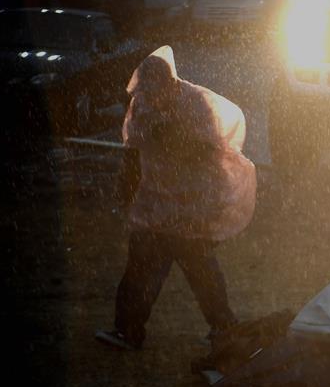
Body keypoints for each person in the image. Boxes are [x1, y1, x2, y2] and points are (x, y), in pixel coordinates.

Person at [96, 46, 257, 350]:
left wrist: (175, 139)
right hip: (155, 203)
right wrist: (126, 190)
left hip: (190, 204)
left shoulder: (195, 104)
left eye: (156, 88)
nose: (150, 95)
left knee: (198, 268)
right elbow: (132, 150)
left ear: (169, 81)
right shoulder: (142, 104)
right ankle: (128, 331)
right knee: (142, 269)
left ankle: (224, 328)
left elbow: (212, 151)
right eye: (146, 89)